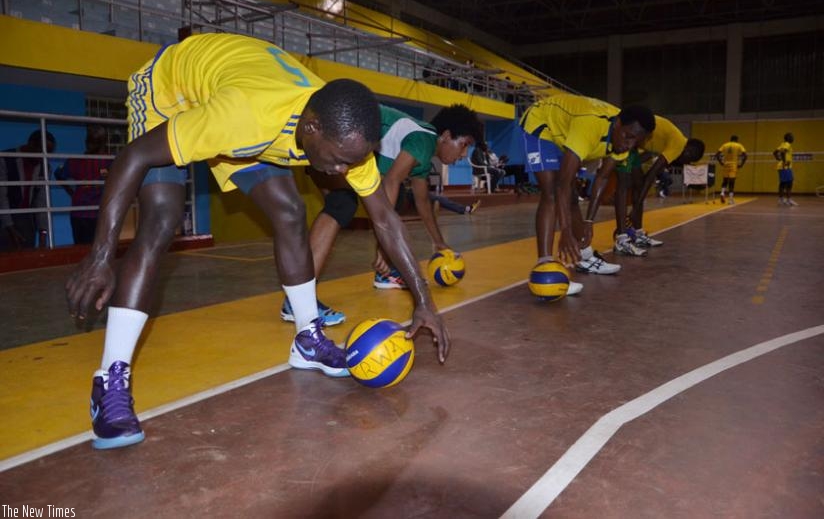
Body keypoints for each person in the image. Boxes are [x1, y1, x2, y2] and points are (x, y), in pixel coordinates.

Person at [65, 33, 450, 450]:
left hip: (242, 94)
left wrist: (424, 301)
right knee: (161, 219)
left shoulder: (347, 141)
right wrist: (100, 254)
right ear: (312, 127)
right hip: (170, 88)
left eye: (352, 162)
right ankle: (110, 382)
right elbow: (133, 157)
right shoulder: (244, 117)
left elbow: (385, 219)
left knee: (289, 210)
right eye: (339, 159)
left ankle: (308, 340)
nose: (343, 170)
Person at [284, 103, 482, 325]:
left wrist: (439, 243)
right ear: (445, 136)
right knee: (342, 203)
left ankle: (385, 274)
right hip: (327, 137)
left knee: (385, 199)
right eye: (464, 145)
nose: (464, 154)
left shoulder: (423, 154)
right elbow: (392, 179)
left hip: (330, 136)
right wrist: (384, 245)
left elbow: (422, 200)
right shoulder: (425, 138)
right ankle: (298, 301)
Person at [519, 93, 654, 287]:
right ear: (617, 125)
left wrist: (589, 221)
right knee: (551, 193)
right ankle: (545, 267)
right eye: (628, 137)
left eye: (636, 142)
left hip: (566, 132)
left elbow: (603, 178)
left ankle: (584, 256)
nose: (629, 145)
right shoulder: (590, 126)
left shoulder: (623, 141)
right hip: (541, 123)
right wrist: (565, 231)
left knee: (572, 198)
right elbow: (562, 184)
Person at [589, 116, 704, 254]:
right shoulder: (678, 145)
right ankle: (621, 239)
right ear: (689, 150)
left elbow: (649, 157)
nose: (685, 162)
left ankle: (637, 233)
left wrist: (635, 208)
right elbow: (652, 174)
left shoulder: (675, 141)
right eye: (688, 159)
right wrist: (634, 210)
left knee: (638, 184)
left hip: (635, 146)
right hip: (627, 138)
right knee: (624, 184)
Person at [55, 125, 111, 244]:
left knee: (98, 249)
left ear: (102, 143)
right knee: (82, 250)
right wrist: (71, 192)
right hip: (80, 214)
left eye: (95, 141)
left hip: (100, 214)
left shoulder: (110, 161)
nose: (90, 144)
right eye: (89, 141)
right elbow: (58, 174)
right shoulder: (76, 161)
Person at [0, 130, 55, 251]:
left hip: (26, 218)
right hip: (4, 216)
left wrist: (43, 232)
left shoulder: (44, 167)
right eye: (42, 150)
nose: (44, 155)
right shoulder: (5, 159)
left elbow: (42, 200)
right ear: (31, 144)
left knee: (26, 255)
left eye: (48, 152)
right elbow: (1, 196)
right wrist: (9, 227)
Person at [714, 135, 747, 205]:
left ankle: (722, 192)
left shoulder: (725, 145)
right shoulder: (738, 145)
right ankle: (730, 199)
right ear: (736, 140)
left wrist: (721, 162)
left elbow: (717, 154)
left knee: (725, 180)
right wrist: (741, 164)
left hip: (726, 164)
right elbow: (745, 155)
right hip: (733, 165)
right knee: (732, 182)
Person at [774, 132, 798, 206]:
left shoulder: (782, 144)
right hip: (785, 166)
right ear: (788, 138)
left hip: (781, 166)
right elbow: (783, 152)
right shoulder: (787, 144)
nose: (793, 138)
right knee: (789, 183)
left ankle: (781, 200)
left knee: (783, 183)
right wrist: (784, 161)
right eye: (791, 137)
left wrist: (778, 159)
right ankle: (788, 200)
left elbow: (774, 152)